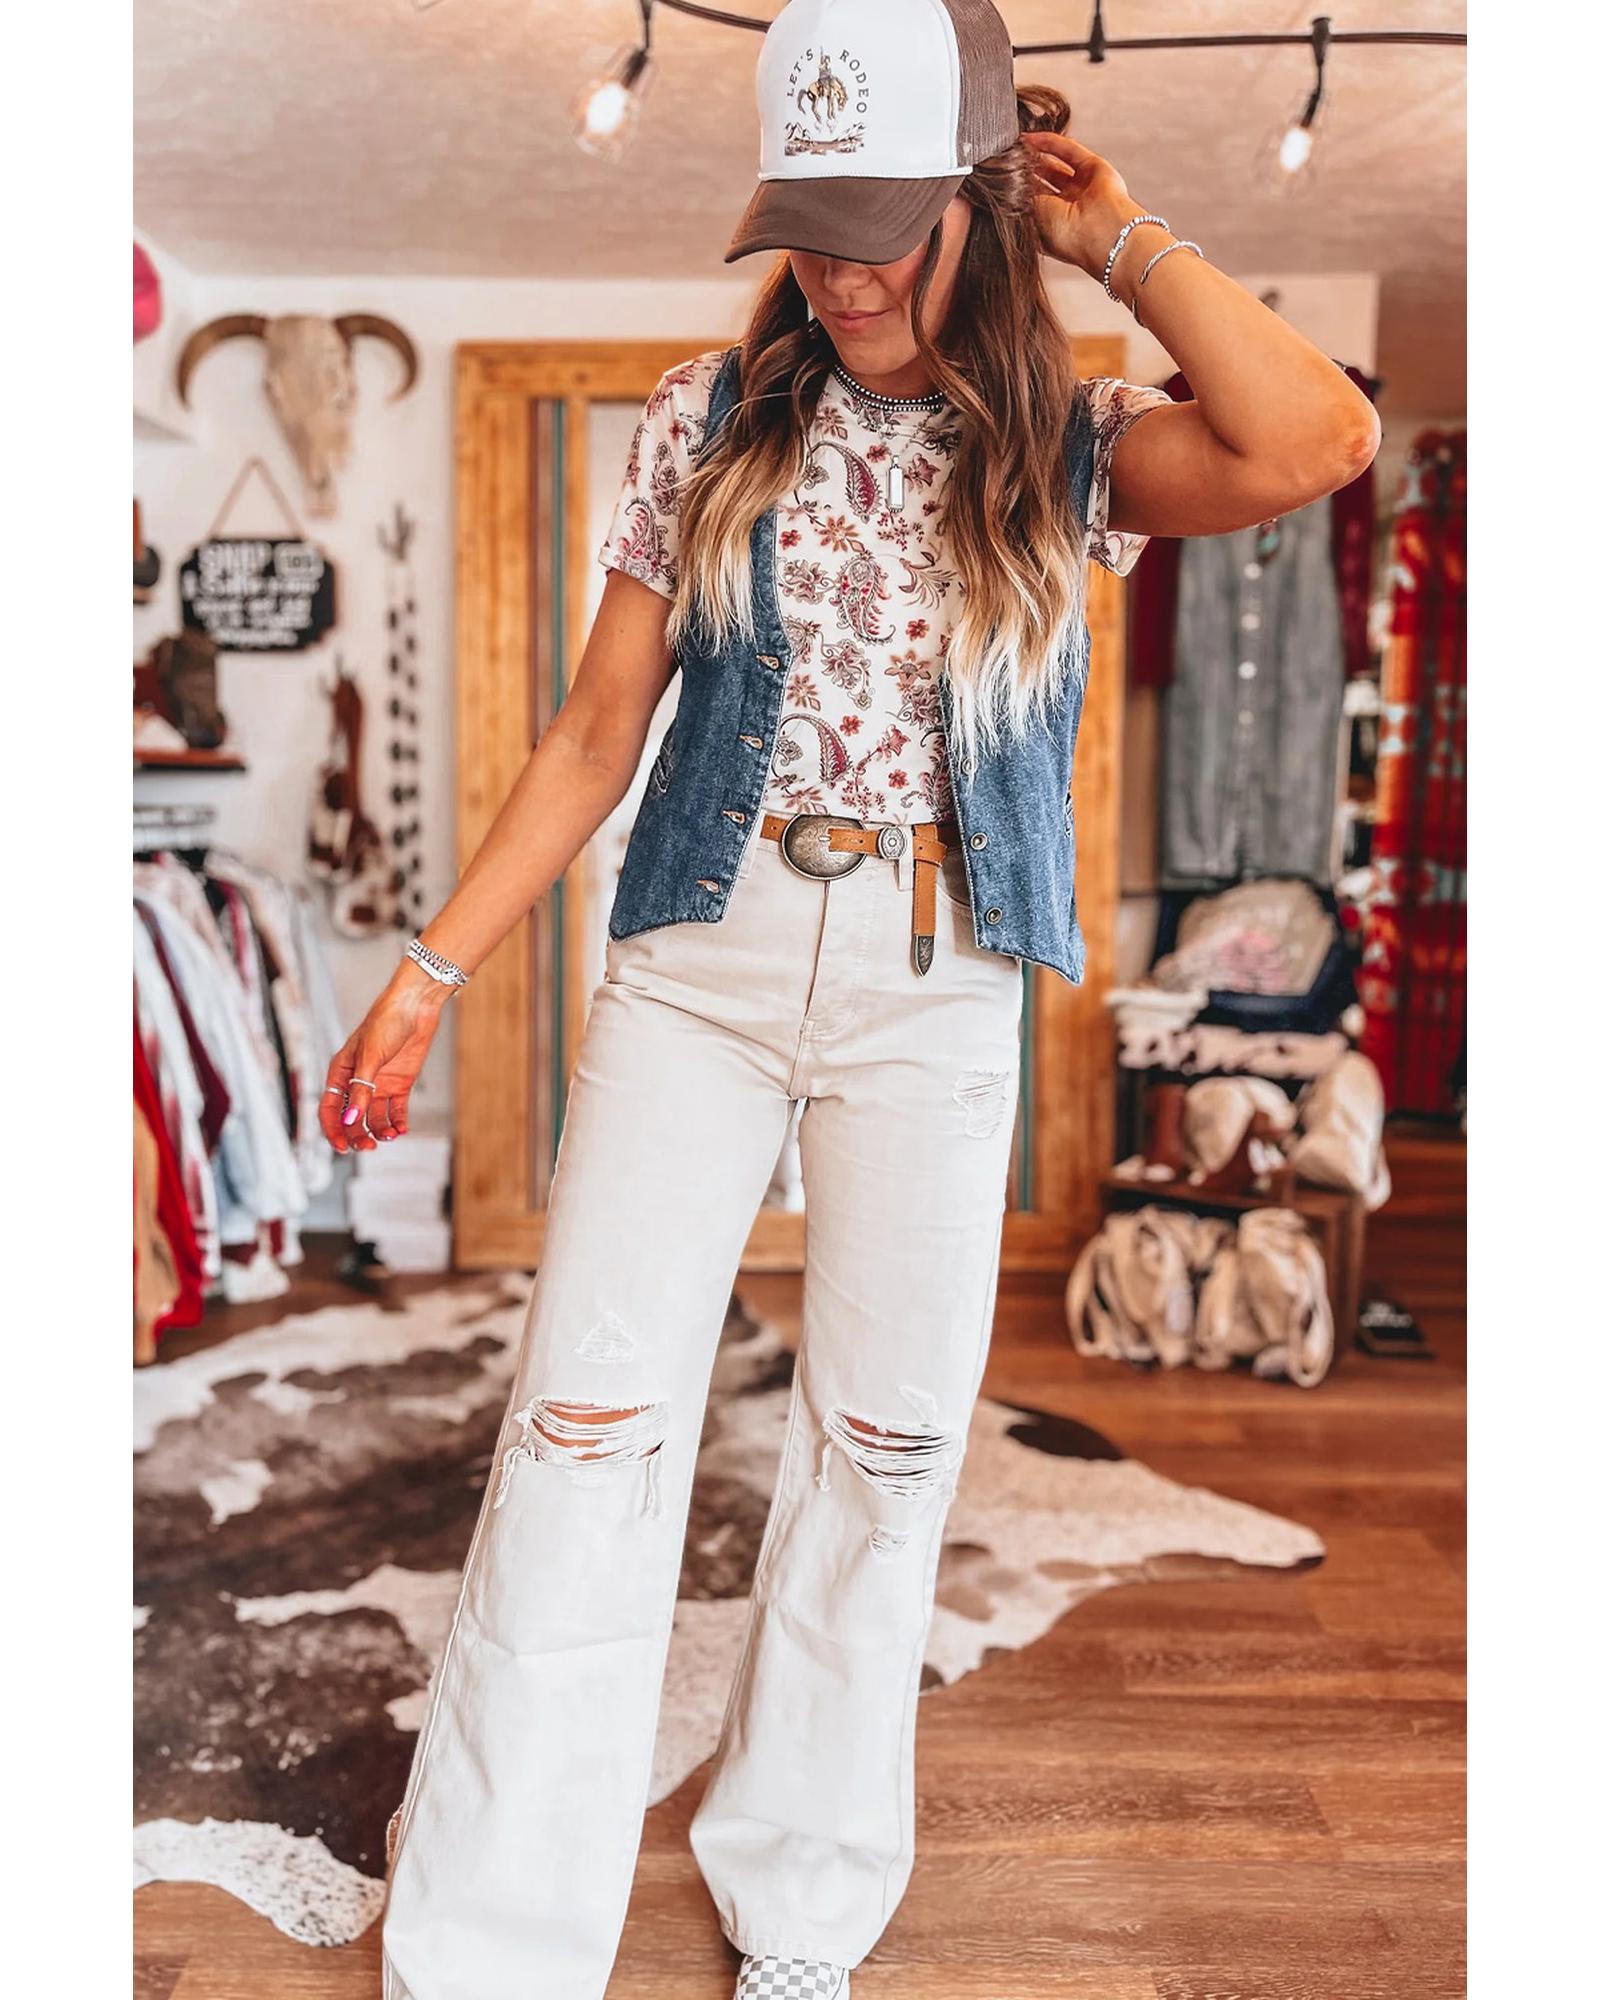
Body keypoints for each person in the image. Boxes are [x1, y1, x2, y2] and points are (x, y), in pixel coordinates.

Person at [321, 4, 1380, 1995]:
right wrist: (429, 970)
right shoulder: (704, 418)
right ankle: (486, 1944)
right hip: (697, 968)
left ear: (977, 205)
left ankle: (799, 1902)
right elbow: (594, 730)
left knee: (886, 1454)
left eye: (885, 224)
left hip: (932, 984)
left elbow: (1313, 436)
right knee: (581, 1434)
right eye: (809, 228)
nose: (842, 272)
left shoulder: (1072, 450)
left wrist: (1115, 234)